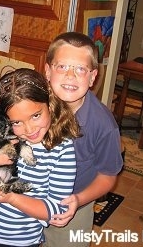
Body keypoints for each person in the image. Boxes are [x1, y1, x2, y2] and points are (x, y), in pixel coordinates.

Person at [0, 68, 81, 247]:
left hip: (19, 242)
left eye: (36, 116)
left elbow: (56, 210)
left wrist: (12, 198)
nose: (29, 130)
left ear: (50, 105)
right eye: (16, 123)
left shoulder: (61, 150)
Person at [43, 31, 123, 247]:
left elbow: (108, 176)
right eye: (62, 67)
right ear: (48, 71)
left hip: (71, 205)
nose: (71, 76)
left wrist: (79, 200)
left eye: (80, 69)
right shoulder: (33, 103)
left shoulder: (104, 125)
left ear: (92, 77)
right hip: (31, 196)